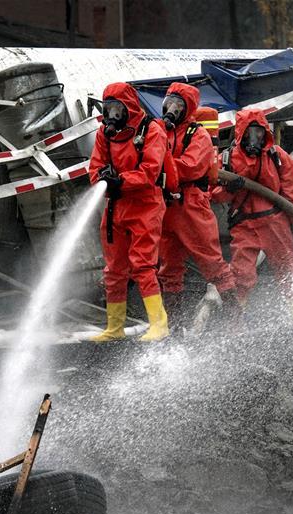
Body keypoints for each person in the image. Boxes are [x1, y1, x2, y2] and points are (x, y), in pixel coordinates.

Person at [211, 109, 293, 336]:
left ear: (266, 133)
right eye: (250, 132)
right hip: (244, 224)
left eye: (259, 132)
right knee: (241, 275)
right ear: (240, 133)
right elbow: (214, 193)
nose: (254, 138)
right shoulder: (227, 159)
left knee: (288, 271)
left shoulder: (278, 157)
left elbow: (290, 193)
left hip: (275, 221)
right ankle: (234, 326)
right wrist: (228, 188)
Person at [86, 82, 170, 342]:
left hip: (145, 205)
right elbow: (94, 168)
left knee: (143, 266)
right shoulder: (105, 134)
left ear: (129, 107)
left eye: (117, 108)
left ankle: (159, 324)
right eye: (108, 108)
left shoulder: (151, 130)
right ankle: (115, 328)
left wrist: (121, 180)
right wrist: (103, 177)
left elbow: (150, 172)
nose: (112, 114)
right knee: (114, 270)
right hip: (115, 208)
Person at [157, 83, 237, 323]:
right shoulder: (158, 131)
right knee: (168, 269)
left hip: (191, 205)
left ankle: (235, 319)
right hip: (165, 207)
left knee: (212, 264)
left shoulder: (198, 135)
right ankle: (173, 326)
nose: (171, 109)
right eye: (169, 103)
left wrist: (158, 167)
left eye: (178, 105)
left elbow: (191, 166)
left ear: (188, 108)